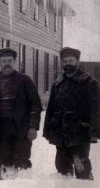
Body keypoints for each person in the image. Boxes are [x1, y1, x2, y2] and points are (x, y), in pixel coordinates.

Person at [43, 47, 100, 180]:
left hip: (80, 132)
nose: (68, 63)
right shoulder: (57, 84)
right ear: (62, 63)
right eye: (65, 61)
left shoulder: (89, 83)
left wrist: (94, 130)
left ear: (77, 62)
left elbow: (96, 109)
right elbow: (50, 109)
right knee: (62, 168)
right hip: (60, 133)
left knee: (81, 166)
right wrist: (47, 129)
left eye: (71, 60)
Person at [0, 48, 42, 175]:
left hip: (21, 127)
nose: (7, 63)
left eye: (9, 60)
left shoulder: (25, 80)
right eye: (3, 61)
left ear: (15, 62)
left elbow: (36, 105)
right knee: (4, 160)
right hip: (1, 128)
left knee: (21, 160)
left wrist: (33, 127)